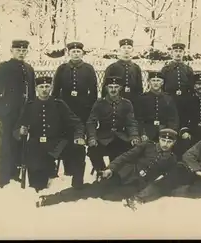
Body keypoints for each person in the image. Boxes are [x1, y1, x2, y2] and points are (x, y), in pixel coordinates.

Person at [36, 129, 178, 208]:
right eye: (163, 140)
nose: (165, 144)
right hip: (123, 174)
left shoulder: (172, 159)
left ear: (174, 143)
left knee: (111, 197)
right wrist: (111, 169)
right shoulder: (148, 146)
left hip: (136, 185)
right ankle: (52, 198)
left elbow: (167, 179)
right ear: (159, 139)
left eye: (169, 141)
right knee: (94, 190)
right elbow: (125, 157)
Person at [124, 124, 201, 210]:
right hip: (186, 168)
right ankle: (138, 198)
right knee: (168, 182)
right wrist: (198, 170)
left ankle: (170, 191)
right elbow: (188, 155)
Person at [13, 76, 86, 192]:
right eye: (41, 87)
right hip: (36, 145)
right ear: (36, 88)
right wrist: (20, 131)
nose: (44, 90)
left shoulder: (59, 104)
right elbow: (17, 128)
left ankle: (77, 187)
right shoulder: (30, 106)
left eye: (47, 86)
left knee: (79, 149)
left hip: (57, 144)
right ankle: (41, 183)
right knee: (38, 186)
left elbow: (77, 123)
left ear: (51, 87)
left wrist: (79, 137)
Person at [0, 39, 36, 188]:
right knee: (5, 147)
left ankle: (14, 175)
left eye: (24, 51)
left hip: (22, 114)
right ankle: (3, 181)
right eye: (18, 50)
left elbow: (32, 93)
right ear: (12, 51)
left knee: (18, 145)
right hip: (6, 115)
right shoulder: (3, 68)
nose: (21, 53)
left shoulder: (29, 69)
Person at [51, 41, 98, 180]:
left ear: (82, 53)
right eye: (73, 52)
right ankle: (67, 168)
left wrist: (90, 107)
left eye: (78, 52)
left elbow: (94, 91)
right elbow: (55, 90)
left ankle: (77, 167)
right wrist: (56, 107)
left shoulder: (88, 68)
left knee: (78, 138)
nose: (76, 54)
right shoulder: (62, 68)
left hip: (83, 109)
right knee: (66, 137)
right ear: (69, 53)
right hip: (65, 108)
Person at [87, 76, 141, 175]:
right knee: (92, 150)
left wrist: (134, 136)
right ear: (106, 88)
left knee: (131, 150)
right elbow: (91, 122)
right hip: (103, 136)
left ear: (120, 88)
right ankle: (101, 171)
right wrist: (92, 137)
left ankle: (117, 174)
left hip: (121, 136)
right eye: (110, 87)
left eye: (116, 87)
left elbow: (131, 122)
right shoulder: (99, 103)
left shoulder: (126, 103)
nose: (113, 90)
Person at [102, 38, 144, 125]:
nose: (126, 50)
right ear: (119, 50)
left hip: (132, 100)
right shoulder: (112, 67)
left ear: (132, 50)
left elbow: (139, 87)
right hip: (116, 100)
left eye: (129, 47)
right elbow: (105, 88)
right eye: (124, 47)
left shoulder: (136, 67)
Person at [138, 71, 179, 142]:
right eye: (153, 80)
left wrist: (170, 132)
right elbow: (139, 118)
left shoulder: (168, 98)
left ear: (162, 83)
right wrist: (142, 134)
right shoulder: (142, 98)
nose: (155, 83)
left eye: (158, 80)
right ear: (149, 82)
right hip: (148, 132)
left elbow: (173, 118)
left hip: (164, 130)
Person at [160, 43, 195, 128]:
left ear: (184, 53)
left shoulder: (188, 69)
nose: (178, 53)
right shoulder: (166, 69)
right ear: (172, 53)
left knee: (183, 119)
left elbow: (191, 86)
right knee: (170, 119)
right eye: (176, 51)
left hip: (184, 99)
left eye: (180, 51)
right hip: (170, 98)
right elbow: (162, 86)